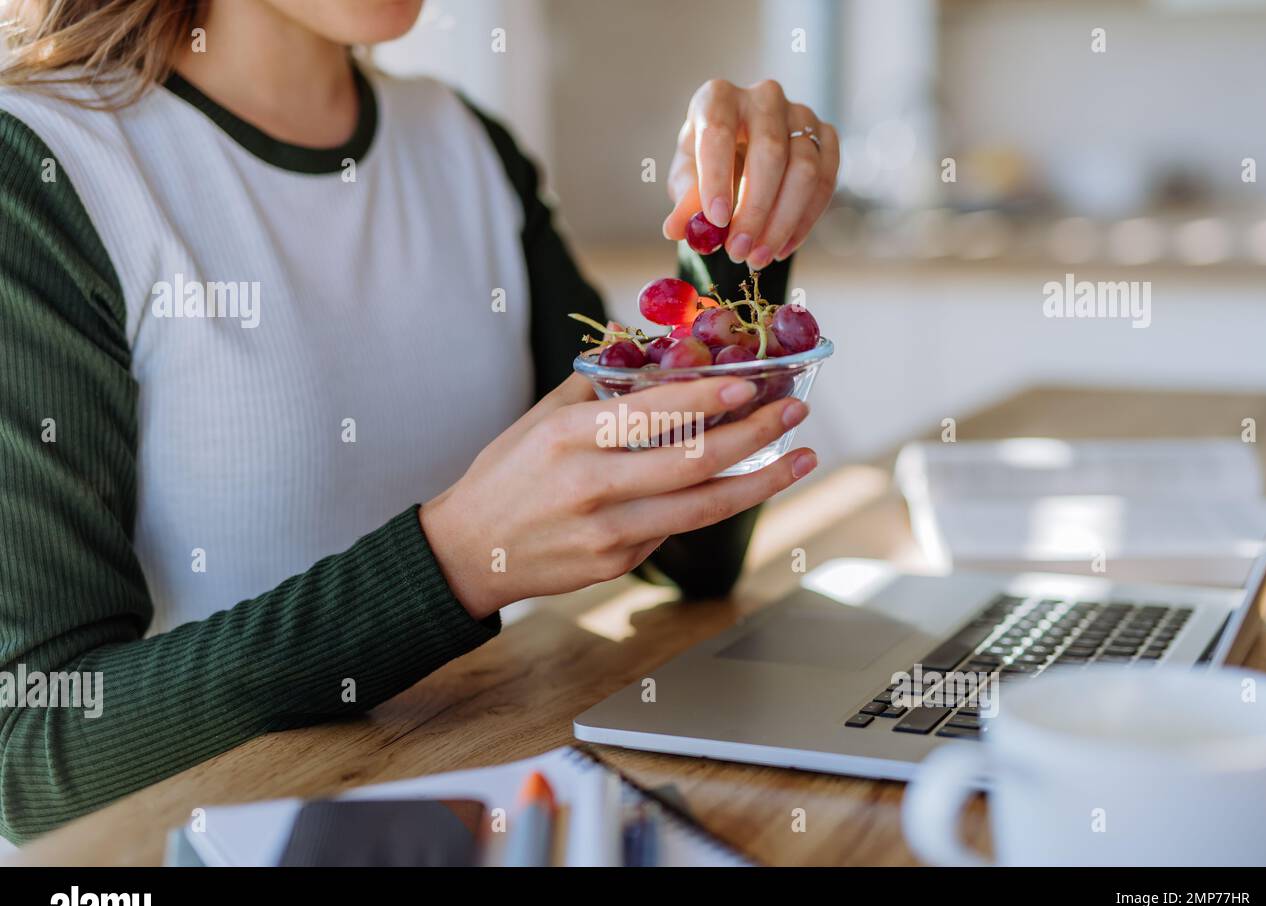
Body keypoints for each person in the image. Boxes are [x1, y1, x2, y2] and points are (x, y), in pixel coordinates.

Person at [0, 0, 839, 842]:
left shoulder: (464, 144)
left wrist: (733, 237)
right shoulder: (42, 168)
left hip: (472, 817)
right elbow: (32, 756)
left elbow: (687, 557)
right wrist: (455, 566)